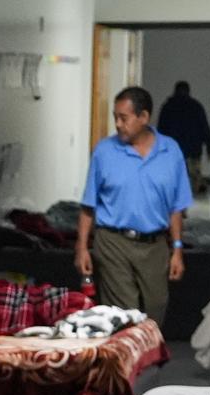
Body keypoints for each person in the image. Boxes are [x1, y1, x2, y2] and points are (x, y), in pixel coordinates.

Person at [75, 86, 194, 322]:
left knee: (155, 309)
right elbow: (89, 206)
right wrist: (81, 248)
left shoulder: (170, 151)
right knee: (123, 315)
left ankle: (145, 357)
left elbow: (177, 208)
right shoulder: (105, 151)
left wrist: (177, 249)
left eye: (124, 118)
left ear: (144, 117)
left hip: (154, 245)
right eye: (115, 118)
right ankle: (125, 356)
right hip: (113, 243)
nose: (118, 124)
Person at [157, 80, 210, 195]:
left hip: (172, 151)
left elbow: (160, 130)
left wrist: (159, 149)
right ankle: (191, 200)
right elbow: (205, 128)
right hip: (193, 150)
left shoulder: (167, 107)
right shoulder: (196, 106)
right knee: (193, 179)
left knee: (173, 178)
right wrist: (209, 146)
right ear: (188, 91)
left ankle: (176, 200)